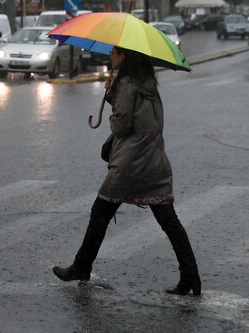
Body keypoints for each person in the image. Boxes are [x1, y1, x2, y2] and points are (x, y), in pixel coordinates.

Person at [52, 46, 201, 296]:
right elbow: (140, 115)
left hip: (130, 163)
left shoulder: (128, 84)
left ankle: (81, 266)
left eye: (114, 52)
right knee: (168, 220)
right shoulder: (147, 83)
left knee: (100, 212)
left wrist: (113, 94)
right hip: (153, 161)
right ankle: (191, 276)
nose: (110, 55)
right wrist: (113, 93)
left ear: (123, 56)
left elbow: (121, 125)